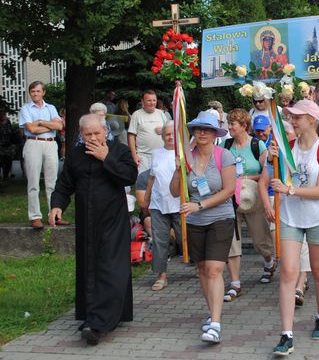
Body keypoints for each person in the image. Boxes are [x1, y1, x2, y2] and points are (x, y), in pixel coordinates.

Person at [49, 113, 137, 345]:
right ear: (81, 134)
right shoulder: (76, 155)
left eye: (97, 133)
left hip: (113, 220)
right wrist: (57, 206)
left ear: (105, 131)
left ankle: (98, 324)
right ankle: (92, 315)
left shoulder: (118, 150)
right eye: (88, 134)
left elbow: (129, 176)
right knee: (89, 267)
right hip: (87, 221)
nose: (93, 138)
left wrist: (106, 157)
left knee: (110, 267)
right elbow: (64, 184)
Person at [263, 100, 319, 356]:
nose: (293, 121)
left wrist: (290, 189)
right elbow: (272, 176)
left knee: (318, 272)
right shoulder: (287, 147)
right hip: (291, 217)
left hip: (318, 216)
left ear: (312, 120)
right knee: (288, 273)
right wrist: (271, 156)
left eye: (298, 117)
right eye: (292, 117)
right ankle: (286, 334)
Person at [170, 111, 236, 344]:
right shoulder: (186, 157)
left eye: (206, 129)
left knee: (214, 269)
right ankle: (212, 313)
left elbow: (229, 190)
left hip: (221, 218)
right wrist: (179, 170)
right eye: (198, 129)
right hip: (194, 221)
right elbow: (175, 192)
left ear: (214, 133)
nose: (202, 133)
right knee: (202, 270)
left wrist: (201, 204)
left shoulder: (224, 155)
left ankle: (216, 324)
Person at [222, 109, 275, 297]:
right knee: (232, 241)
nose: (229, 127)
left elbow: (266, 172)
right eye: (228, 123)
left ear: (244, 126)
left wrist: (245, 178)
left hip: (253, 198)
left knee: (260, 237)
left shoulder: (257, 145)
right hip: (231, 199)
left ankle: (269, 261)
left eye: (232, 124)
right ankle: (235, 283)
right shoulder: (225, 144)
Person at [19, 81, 65, 229]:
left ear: (43, 92)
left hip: (51, 144)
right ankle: (35, 216)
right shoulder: (25, 109)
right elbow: (31, 129)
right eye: (32, 91)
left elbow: (59, 126)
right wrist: (48, 125)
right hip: (33, 143)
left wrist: (40, 122)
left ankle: (55, 215)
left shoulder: (50, 107)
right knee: (33, 182)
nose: (35, 94)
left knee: (52, 182)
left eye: (38, 91)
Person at [144, 121, 181, 292]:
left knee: (185, 238)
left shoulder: (183, 153)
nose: (170, 137)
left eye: (173, 133)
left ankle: (198, 266)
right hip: (158, 203)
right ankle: (161, 276)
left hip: (179, 204)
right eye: (167, 134)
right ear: (162, 136)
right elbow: (152, 177)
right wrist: (147, 196)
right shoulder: (156, 153)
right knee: (160, 240)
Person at [127, 90, 168, 173]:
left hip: (160, 155)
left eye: (154, 100)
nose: (152, 103)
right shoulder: (137, 114)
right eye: (149, 100)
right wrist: (134, 155)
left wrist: (164, 130)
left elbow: (170, 132)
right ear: (142, 101)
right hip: (143, 157)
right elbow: (131, 136)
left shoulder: (161, 114)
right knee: (143, 183)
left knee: (159, 183)